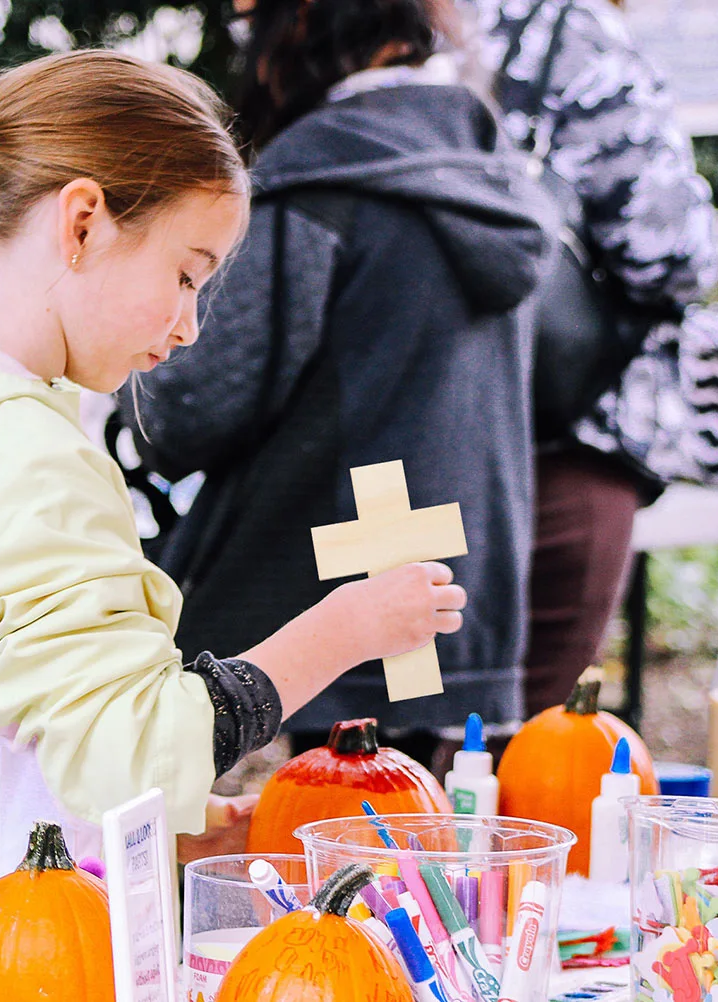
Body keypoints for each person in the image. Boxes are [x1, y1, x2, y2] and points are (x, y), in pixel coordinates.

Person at [0, 50, 467, 999]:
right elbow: (127, 750)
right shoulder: (19, 459)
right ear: (82, 222)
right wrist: (346, 630)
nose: (189, 326)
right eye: (187, 274)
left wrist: (155, 820)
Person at [121, 0, 554, 769]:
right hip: (458, 615)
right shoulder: (494, 178)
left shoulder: (318, 178)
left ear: (302, 24)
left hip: (299, 644)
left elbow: (187, 410)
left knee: (291, 879)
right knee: (421, 871)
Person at [458, 0, 718, 719]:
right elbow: (670, 249)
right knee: (533, 736)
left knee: (389, 732)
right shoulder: (566, 30)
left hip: (405, 439)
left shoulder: (357, 30)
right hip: (560, 435)